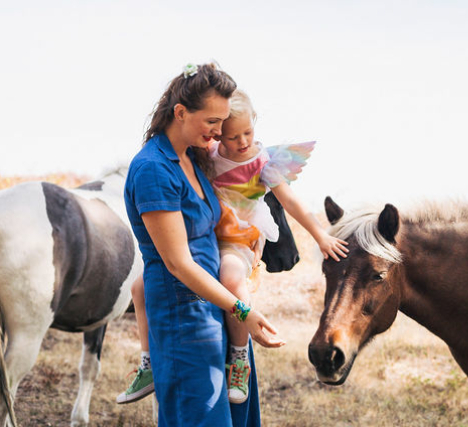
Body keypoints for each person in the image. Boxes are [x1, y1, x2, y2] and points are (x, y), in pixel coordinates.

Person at [118, 88, 349, 407]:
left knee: (231, 279)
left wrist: (320, 235)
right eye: (231, 136)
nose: (241, 142)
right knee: (140, 288)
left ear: (256, 124)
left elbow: (290, 201)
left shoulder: (264, 162)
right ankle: (147, 364)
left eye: (248, 133)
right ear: (217, 135)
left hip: (237, 239)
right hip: (207, 237)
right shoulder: (208, 155)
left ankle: (239, 359)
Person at [123, 63, 281, 426]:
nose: (220, 130)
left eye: (223, 120)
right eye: (212, 121)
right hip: (185, 321)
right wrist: (243, 310)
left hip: (219, 311)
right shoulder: (153, 170)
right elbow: (178, 264)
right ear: (180, 112)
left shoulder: (195, 158)